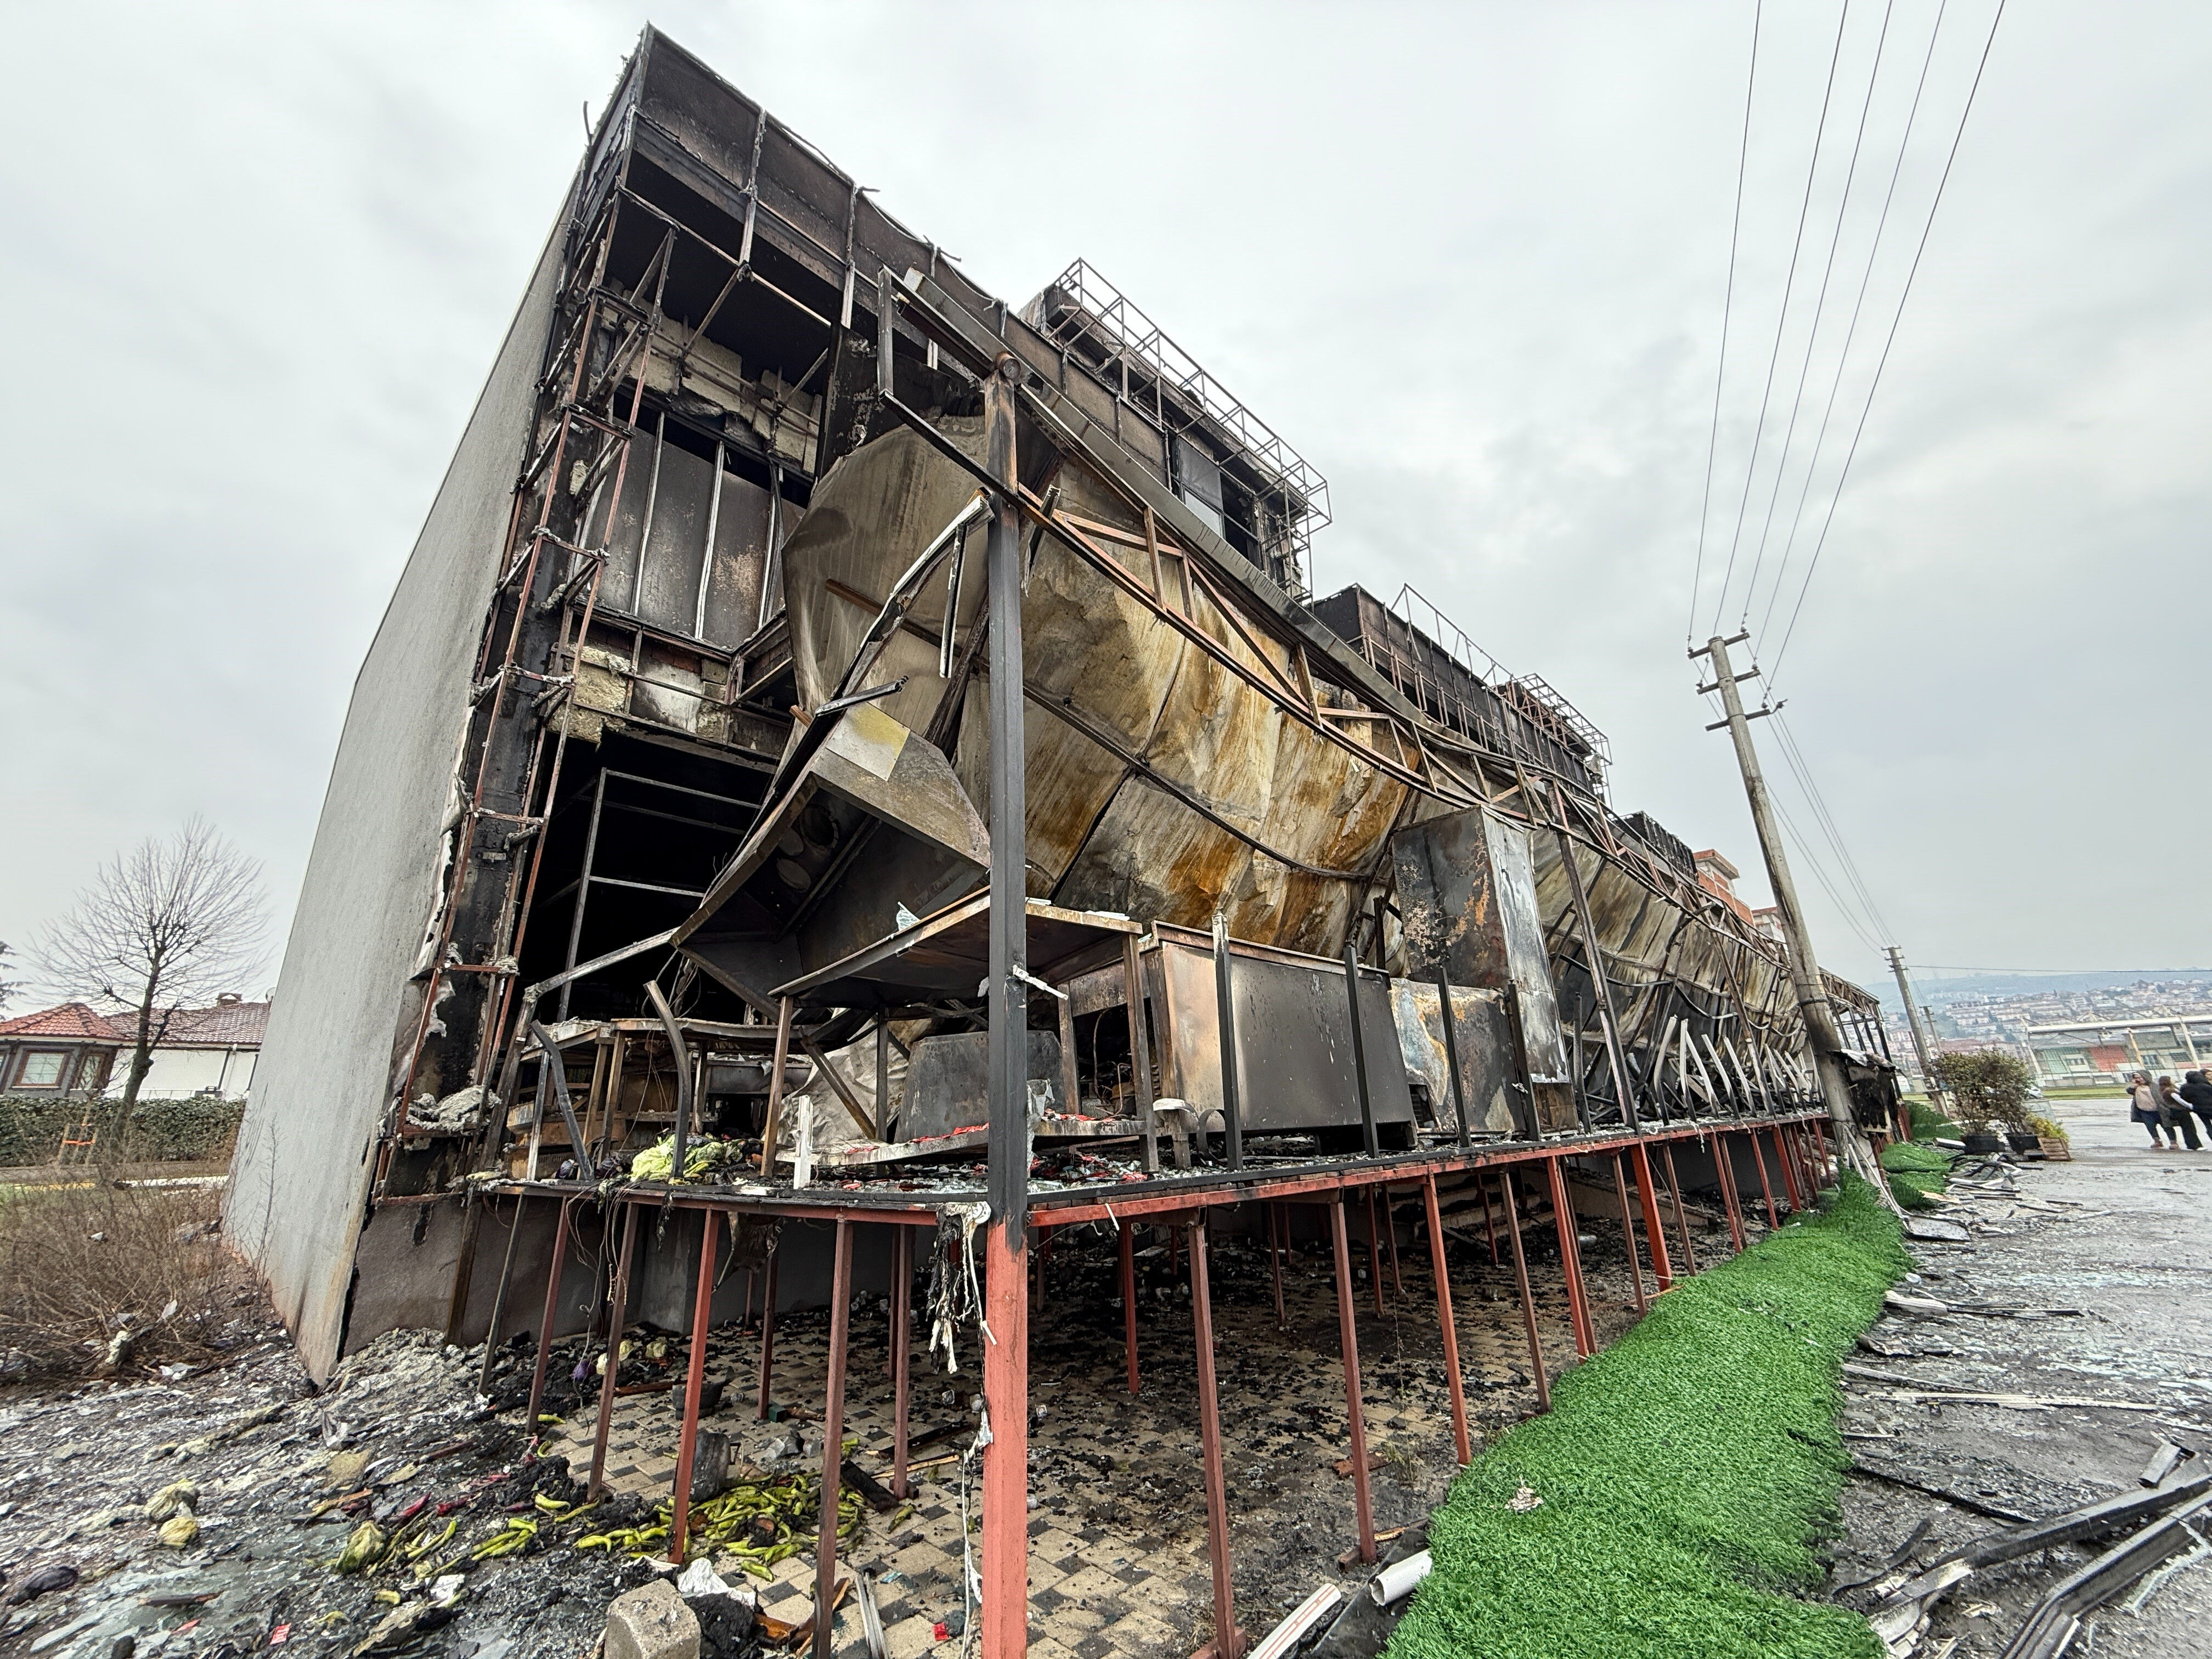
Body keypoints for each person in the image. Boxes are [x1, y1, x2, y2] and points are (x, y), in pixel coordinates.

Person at [2131, 1071, 2177, 1149]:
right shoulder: (2136, 1088)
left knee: (2167, 1126)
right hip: (2145, 1111)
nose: (2138, 1079)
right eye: (2136, 1078)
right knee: (2150, 1126)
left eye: (2140, 1077)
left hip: (2159, 1110)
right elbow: (2129, 1091)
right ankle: (2157, 1141)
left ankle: (2173, 1142)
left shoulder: (2154, 1086)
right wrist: (2133, 1086)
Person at [2159, 1075, 2204, 1150]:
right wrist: (2191, 1106)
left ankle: (2192, 1145)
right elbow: (2180, 1101)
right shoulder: (2170, 1091)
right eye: (2171, 1079)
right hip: (2180, 1111)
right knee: (2189, 1128)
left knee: (2186, 1128)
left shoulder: (2164, 1091)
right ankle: (2194, 1145)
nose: (2173, 1081)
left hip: (2174, 1111)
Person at [2182, 1070, 2212, 1144]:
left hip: (2199, 1109)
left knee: (2208, 1125)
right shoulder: (2206, 1086)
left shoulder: (2185, 1088)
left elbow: (2185, 1099)